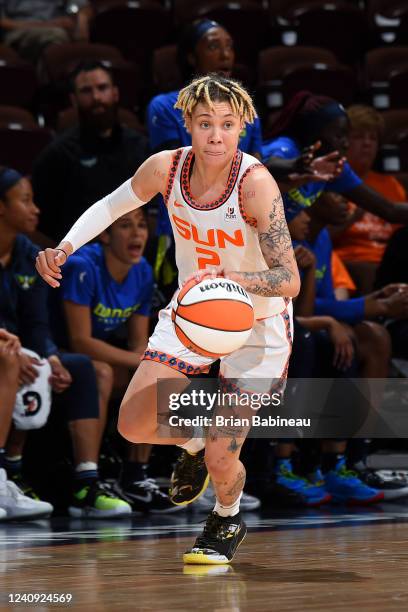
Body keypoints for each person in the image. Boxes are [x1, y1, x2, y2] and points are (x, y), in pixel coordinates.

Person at [36, 73, 300, 564]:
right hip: (195, 313)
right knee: (135, 423)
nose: (216, 135)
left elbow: (289, 281)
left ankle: (226, 517)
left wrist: (233, 280)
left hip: (257, 325)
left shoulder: (256, 184)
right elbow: (111, 206)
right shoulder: (165, 169)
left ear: (242, 126)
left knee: (227, 456)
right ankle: (198, 441)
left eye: (226, 124)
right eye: (205, 124)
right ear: (187, 124)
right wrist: (65, 246)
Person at [0, 166, 131, 518]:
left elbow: (37, 322)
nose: (35, 209)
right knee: (9, 360)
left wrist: (51, 358)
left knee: (88, 370)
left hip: (19, 349)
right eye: (25, 201)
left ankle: (86, 484)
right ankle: (4, 474)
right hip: (5, 351)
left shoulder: (28, 253)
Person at [61, 207, 180, 513]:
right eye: (125, 226)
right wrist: (140, 360)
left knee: (160, 377)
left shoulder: (141, 270)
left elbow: (139, 341)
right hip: (60, 353)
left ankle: (135, 478)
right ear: (105, 234)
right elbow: (80, 341)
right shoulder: (81, 266)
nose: (137, 233)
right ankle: (86, 481)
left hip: (103, 355)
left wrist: (149, 364)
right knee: (100, 372)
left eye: (141, 225)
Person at [32, 60, 149, 244]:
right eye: (86, 91)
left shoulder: (140, 147)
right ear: (73, 100)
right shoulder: (57, 155)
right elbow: (43, 224)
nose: (96, 97)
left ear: (115, 93)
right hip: (77, 257)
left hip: (132, 256)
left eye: (102, 88)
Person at [262, 91, 408, 225]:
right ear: (315, 134)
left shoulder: (331, 165)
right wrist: (295, 166)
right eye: (339, 135)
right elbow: (265, 166)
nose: (346, 143)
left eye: (347, 135)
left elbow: (391, 210)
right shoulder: (285, 146)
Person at [331, 105, 406, 294]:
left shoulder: (390, 185)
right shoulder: (331, 181)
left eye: (372, 138)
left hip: (390, 260)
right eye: (359, 137)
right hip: (350, 261)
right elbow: (320, 236)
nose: (367, 143)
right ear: (344, 142)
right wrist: (352, 218)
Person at [0, 0, 92, 64]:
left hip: (59, 29)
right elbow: (2, 22)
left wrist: (81, 19)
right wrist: (48, 25)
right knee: (55, 35)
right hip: (18, 31)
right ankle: (52, 86)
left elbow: (83, 7)